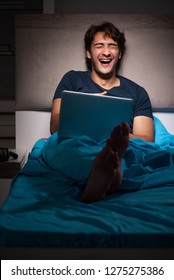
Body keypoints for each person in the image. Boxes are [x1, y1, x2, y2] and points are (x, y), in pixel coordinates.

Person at [50, 22, 154, 203]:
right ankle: (107, 173)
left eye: (112, 46)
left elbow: (147, 138)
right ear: (88, 53)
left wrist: (115, 140)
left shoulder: (137, 92)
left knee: (135, 154)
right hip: (79, 144)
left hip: (120, 146)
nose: (106, 52)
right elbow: (55, 126)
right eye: (99, 46)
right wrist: (86, 110)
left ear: (119, 53)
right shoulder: (72, 80)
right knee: (59, 146)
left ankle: (107, 167)